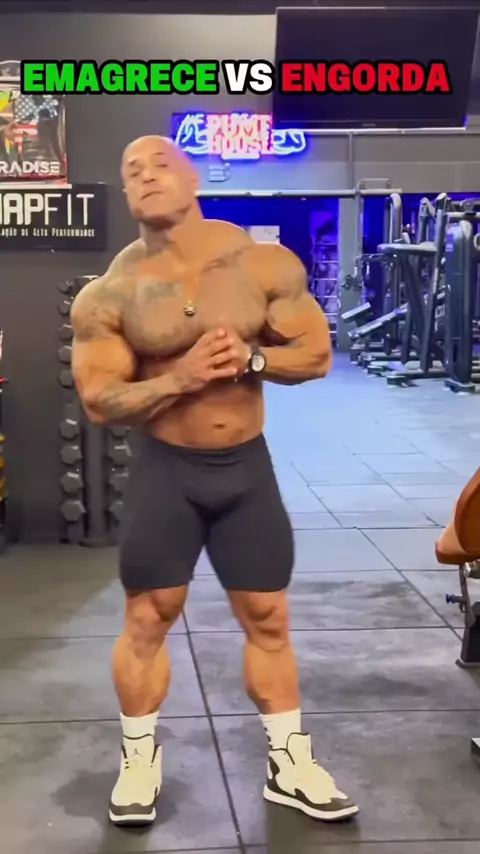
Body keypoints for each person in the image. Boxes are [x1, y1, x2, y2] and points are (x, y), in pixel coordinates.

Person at [71, 135, 359, 827]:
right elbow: (99, 400)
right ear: (125, 191)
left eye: (160, 164)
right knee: (148, 617)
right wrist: (181, 378)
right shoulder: (112, 291)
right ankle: (139, 760)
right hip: (165, 472)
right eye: (132, 170)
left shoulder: (259, 263)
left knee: (269, 617)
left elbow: (316, 353)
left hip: (245, 471)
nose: (146, 176)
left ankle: (289, 763)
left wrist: (252, 360)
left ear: (193, 176)